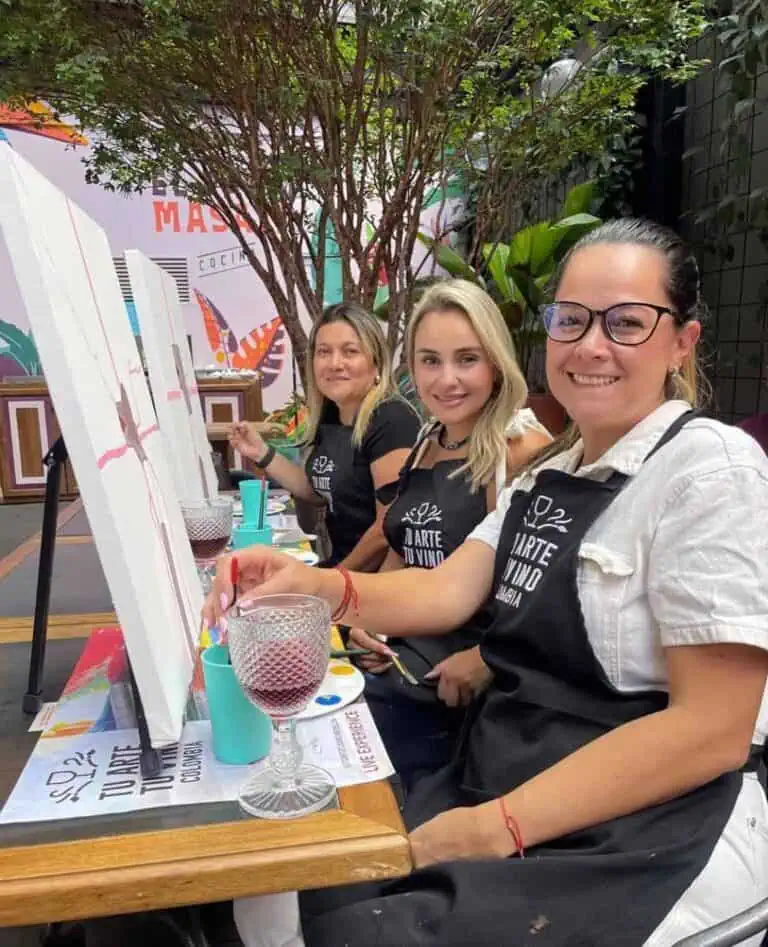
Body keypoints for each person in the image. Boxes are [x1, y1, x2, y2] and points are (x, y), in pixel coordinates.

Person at [209, 219, 768, 947]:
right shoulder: (549, 473)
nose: (591, 345)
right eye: (572, 319)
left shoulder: (710, 470)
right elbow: (445, 590)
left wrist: (496, 827)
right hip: (505, 772)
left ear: (682, 342)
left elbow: (712, 730)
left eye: (627, 323)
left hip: (640, 832)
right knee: (303, 876)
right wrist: (312, 587)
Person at [351, 279, 550, 787]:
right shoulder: (427, 439)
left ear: (496, 362)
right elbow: (402, 550)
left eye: (467, 359)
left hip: (466, 702)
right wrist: (372, 622)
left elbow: (551, 593)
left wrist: (486, 660)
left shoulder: (520, 449)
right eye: (430, 361)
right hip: (402, 665)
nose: (447, 380)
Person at [230, 302, 420, 570]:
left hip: (376, 581)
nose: (335, 363)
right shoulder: (332, 416)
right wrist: (261, 452)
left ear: (376, 362)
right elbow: (319, 490)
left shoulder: (391, 420)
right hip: (343, 570)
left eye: (350, 351)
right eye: (324, 352)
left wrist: (331, 581)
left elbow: (387, 529)